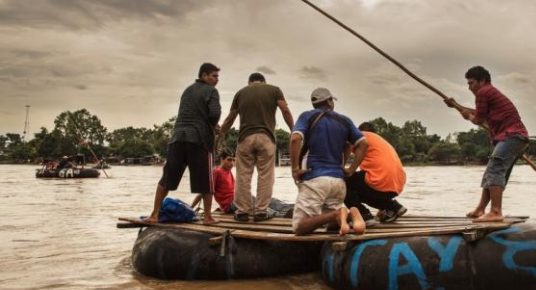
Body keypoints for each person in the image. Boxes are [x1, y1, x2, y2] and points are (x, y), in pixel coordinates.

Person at [444, 65, 529, 222]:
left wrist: (466, 116)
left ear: (482, 81)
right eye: (468, 84)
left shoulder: (483, 92)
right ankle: (480, 209)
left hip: (511, 136)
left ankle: (496, 212)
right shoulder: (489, 92)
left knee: (495, 170)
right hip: (515, 138)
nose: (469, 87)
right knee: (493, 172)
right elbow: (479, 112)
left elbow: (477, 119)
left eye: (471, 83)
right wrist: (456, 106)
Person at [144, 62, 222, 225]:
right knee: (206, 181)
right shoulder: (211, 91)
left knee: (166, 179)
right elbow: (214, 113)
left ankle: (154, 214)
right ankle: (207, 217)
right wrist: (213, 126)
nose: (217, 80)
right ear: (204, 76)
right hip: (199, 140)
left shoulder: (187, 91)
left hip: (177, 139)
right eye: (214, 76)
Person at [290, 87, 368, 236]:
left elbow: (295, 139)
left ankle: (335, 215)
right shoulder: (344, 120)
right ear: (329, 101)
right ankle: (350, 214)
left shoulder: (307, 116)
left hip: (315, 178)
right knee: (333, 226)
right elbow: (362, 144)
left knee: (299, 227)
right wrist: (350, 169)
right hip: (338, 181)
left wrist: (294, 169)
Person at [220, 72, 294, 222]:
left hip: (245, 138)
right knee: (265, 176)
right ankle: (261, 212)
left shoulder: (240, 93)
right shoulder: (274, 90)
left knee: (243, 176)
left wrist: (220, 134)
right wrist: (294, 130)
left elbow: (230, 117)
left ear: (250, 82)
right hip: (266, 138)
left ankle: (242, 212)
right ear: (263, 81)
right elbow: (284, 110)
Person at [344, 122, 407, 223]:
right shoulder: (380, 140)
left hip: (380, 179)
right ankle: (393, 207)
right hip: (397, 184)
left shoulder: (360, 135)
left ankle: (364, 215)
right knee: (360, 190)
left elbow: (346, 147)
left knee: (344, 183)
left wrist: (342, 167)